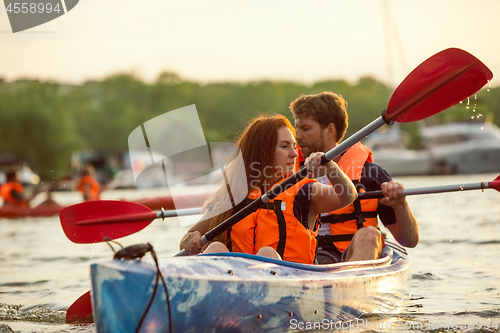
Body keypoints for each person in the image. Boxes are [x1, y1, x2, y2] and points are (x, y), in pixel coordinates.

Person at [180, 114, 357, 264]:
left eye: (294, 146)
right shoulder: (231, 196)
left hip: (291, 288)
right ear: (262, 152)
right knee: (215, 248)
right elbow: (186, 241)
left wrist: (331, 169)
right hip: (236, 287)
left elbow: (348, 196)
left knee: (267, 254)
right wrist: (190, 239)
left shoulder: (304, 192)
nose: (295, 154)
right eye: (285, 146)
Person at [290, 92, 419, 263]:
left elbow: (408, 241)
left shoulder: (371, 175)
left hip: (350, 258)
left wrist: (400, 205)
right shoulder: (289, 172)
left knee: (369, 233)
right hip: (302, 259)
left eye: (305, 128)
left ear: (330, 130)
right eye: (296, 128)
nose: (297, 135)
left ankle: (351, 287)